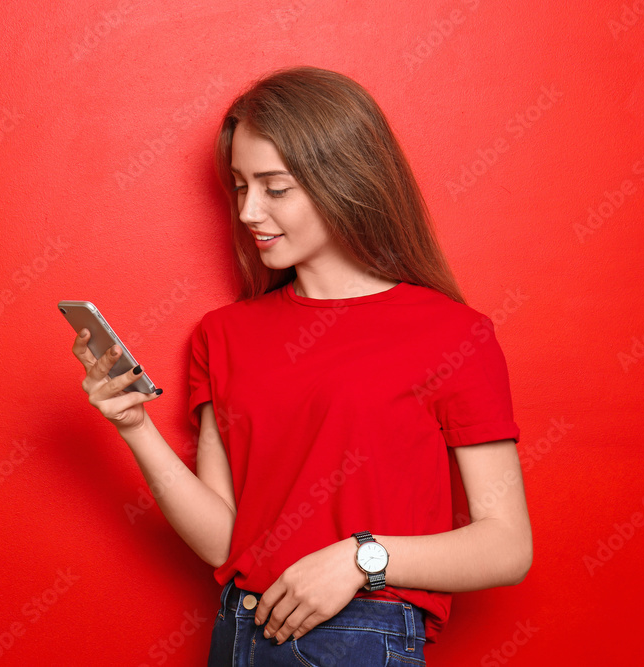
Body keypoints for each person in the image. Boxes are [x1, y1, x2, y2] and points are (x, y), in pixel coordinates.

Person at [71, 65, 532, 666]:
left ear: (344, 180)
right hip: (240, 631)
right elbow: (224, 543)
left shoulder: (453, 334)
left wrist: (361, 559)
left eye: (275, 188)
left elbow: (507, 545)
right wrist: (133, 426)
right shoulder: (224, 335)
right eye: (240, 186)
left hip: (361, 635)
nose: (247, 211)